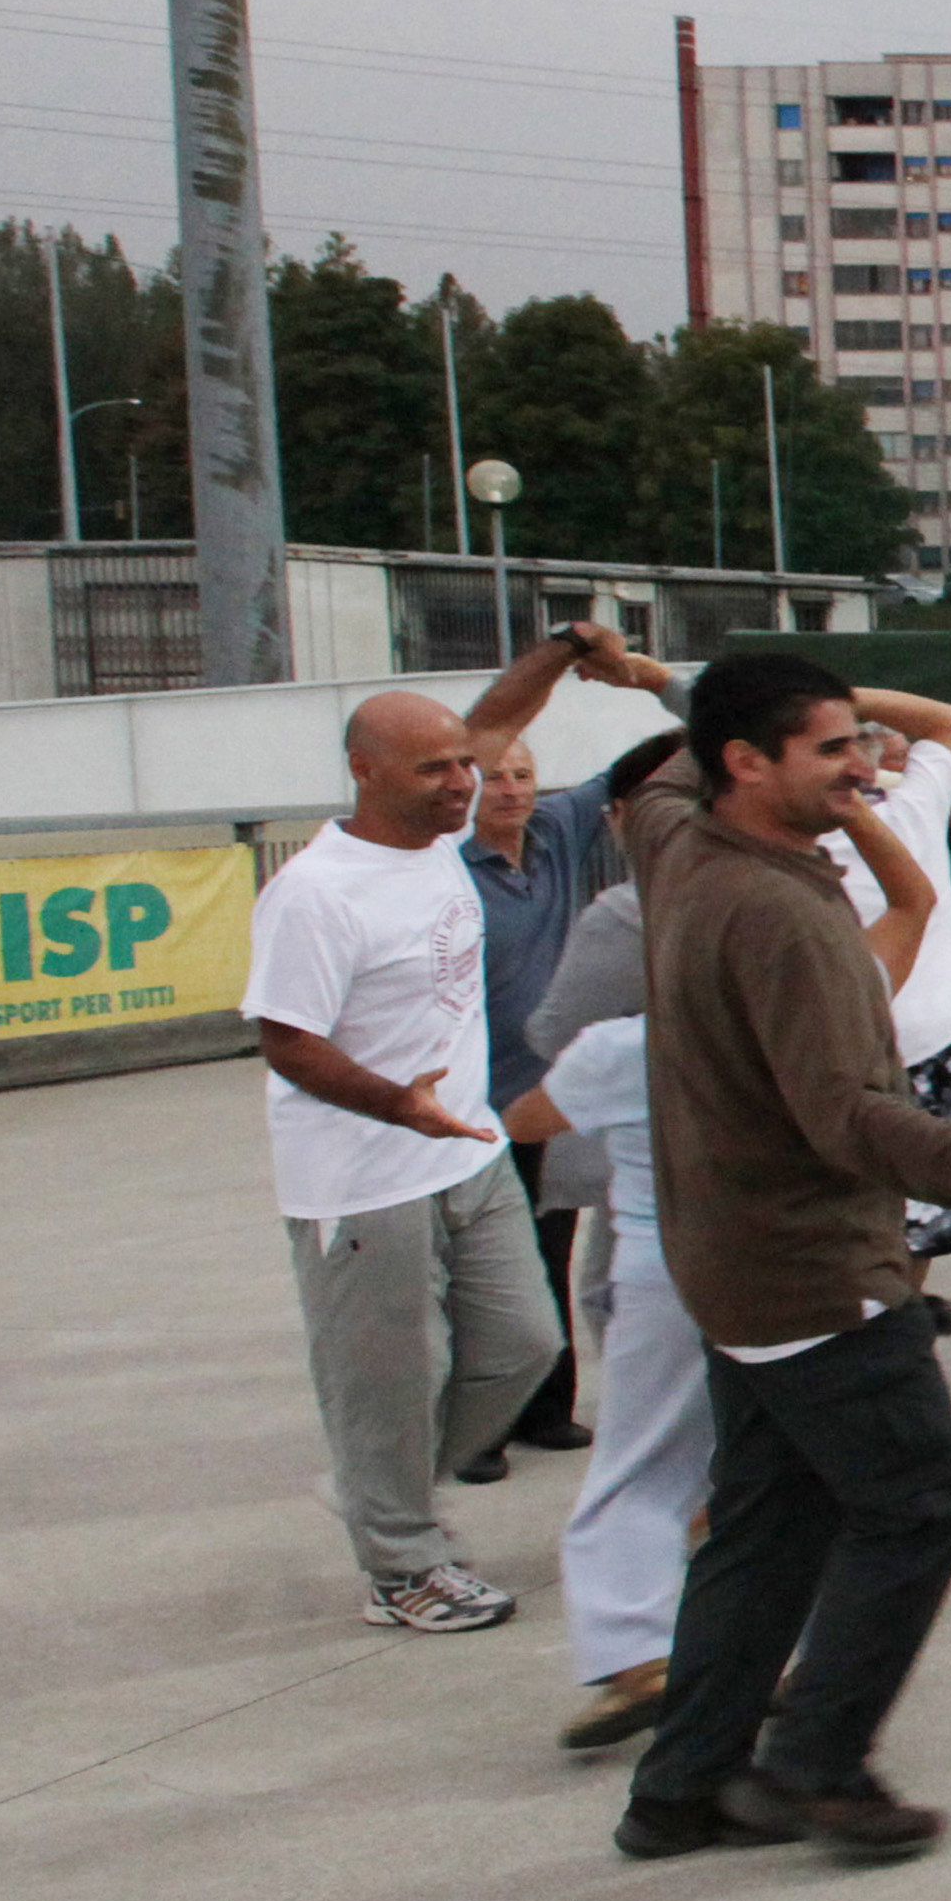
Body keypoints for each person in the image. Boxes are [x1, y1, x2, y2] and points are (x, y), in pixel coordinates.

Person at [611, 656, 951, 1860]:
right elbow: (852, 1119)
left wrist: (669, 682)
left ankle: (683, 1786)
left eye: (864, 743)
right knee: (922, 1501)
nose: (867, 769)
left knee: (767, 1525)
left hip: (731, 1263)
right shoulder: (786, 917)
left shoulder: (678, 843)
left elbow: (651, 781)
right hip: (813, 1271)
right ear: (745, 764)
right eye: (832, 751)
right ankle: (816, 1762)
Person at [244, 628, 643, 1629]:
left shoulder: (442, 844)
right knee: (387, 1380)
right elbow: (287, 1043)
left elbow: (500, 717)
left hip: (465, 1152)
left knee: (521, 1344)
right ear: (363, 771)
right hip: (363, 1177)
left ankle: (384, 1488)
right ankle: (402, 1566)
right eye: (436, 769)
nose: (464, 781)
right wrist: (397, 1104)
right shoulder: (317, 892)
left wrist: (563, 650)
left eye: (467, 765)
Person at [510, 844, 684, 1746]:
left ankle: (638, 1655)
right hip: (789, 1267)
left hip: (663, 1275)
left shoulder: (619, 1048)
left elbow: (527, 1113)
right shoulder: (779, 1017)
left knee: (634, 1468)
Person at [465, 673, 659, 1468]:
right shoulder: (448, 864)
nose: (509, 790)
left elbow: (636, 775)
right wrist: (551, 661)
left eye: (522, 775)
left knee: (553, 1244)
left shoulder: (552, 833)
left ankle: (547, 1403)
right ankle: (476, 1426)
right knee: (483, 1272)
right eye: (492, 777)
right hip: (479, 1092)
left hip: (552, 1088)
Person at [832, 691, 951, 1310]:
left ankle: (886, 1315)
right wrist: (839, 691)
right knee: (923, 1210)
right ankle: (894, 1312)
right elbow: (946, 721)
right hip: (935, 1039)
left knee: (873, 1206)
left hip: (858, 1048)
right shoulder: (916, 806)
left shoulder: (779, 843)